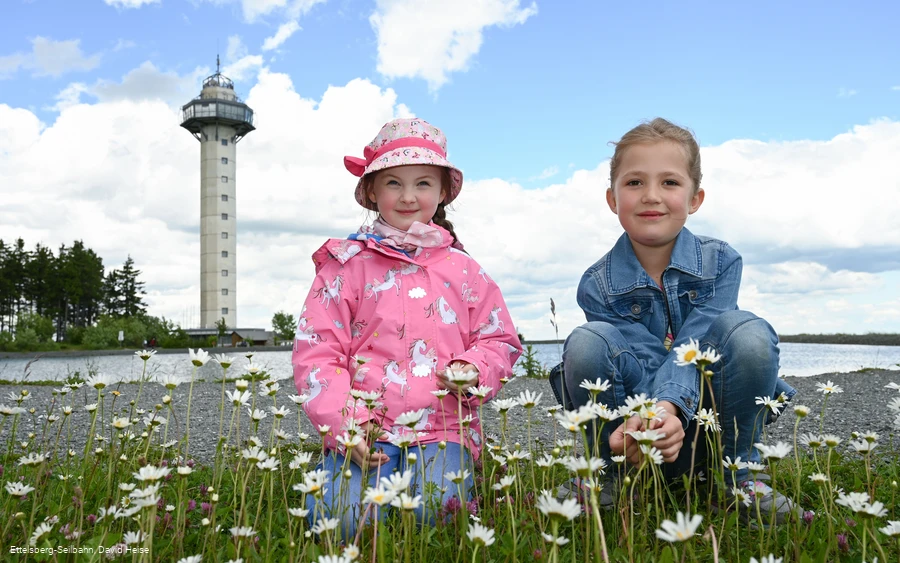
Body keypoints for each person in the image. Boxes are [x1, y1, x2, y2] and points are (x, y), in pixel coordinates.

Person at [550, 118, 800, 525]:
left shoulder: (722, 261)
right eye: (633, 183)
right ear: (612, 199)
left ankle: (739, 477)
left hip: (705, 427)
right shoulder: (596, 284)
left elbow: (698, 342)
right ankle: (610, 472)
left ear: (695, 197)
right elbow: (643, 360)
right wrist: (649, 420)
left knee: (748, 332)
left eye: (669, 182)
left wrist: (668, 407)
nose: (651, 196)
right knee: (587, 340)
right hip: (631, 434)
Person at [292, 117, 522, 536]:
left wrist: (473, 369)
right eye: (394, 183)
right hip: (366, 432)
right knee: (339, 520)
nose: (408, 196)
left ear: (442, 192)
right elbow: (318, 353)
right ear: (372, 192)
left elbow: (499, 339)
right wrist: (349, 425)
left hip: (443, 430)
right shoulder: (344, 267)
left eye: (422, 183)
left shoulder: (465, 270)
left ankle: (463, 483)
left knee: (434, 513)